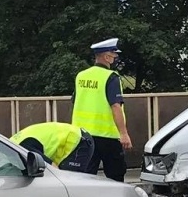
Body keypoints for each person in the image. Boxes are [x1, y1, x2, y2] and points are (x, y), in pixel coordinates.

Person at [72, 38, 133, 182]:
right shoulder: (111, 77)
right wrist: (124, 134)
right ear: (106, 57)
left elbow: (75, 101)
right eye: (114, 55)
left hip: (83, 135)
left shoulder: (81, 76)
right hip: (107, 137)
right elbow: (115, 106)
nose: (116, 58)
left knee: (85, 177)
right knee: (116, 177)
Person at [11, 121, 95, 173]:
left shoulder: (24, 149)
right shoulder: (11, 145)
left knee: (67, 179)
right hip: (69, 138)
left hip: (78, 140)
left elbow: (52, 169)